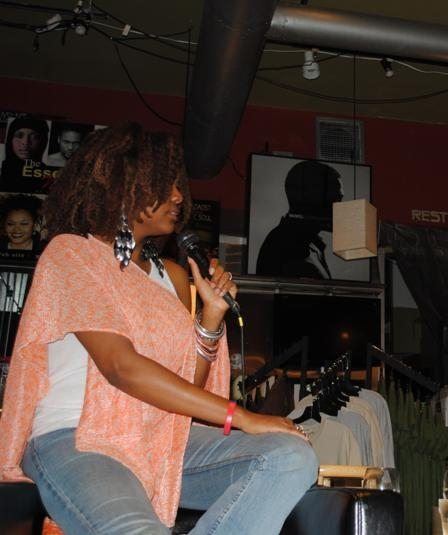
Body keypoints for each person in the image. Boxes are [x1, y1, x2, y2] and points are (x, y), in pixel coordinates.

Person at [0, 123, 318, 534]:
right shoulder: (71, 255)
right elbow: (121, 367)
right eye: (164, 185)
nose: (178, 197)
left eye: (177, 186)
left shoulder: (171, 277)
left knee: (290, 456)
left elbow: (186, 387)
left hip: (160, 439)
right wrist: (241, 416)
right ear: (120, 184)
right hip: (80, 438)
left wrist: (211, 317)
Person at [256, 160, 343, 279]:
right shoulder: (291, 246)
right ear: (313, 198)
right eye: (336, 200)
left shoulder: (304, 242)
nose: (340, 209)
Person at [0, 116, 51, 193]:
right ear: (10, 139)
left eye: (34, 137)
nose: (25, 143)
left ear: (43, 141)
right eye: (19, 136)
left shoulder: (48, 176)